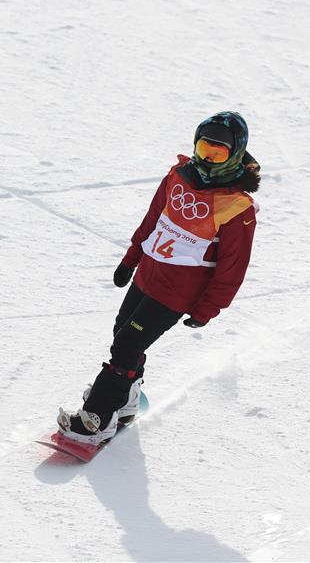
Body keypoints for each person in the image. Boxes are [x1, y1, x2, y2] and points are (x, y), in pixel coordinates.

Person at [57, 111, 261, 445]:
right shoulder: (178, 175)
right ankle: (126, 401)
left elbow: (232, 268)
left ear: (235, 154)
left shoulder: (236, 207)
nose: (208, 159)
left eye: (218, 153)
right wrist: (130, 260)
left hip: (178, 293)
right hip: (149, 274)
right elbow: (152, 220)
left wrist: (207, 309)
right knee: (122, 333)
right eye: (204, 148)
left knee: (127, 345)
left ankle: (98, 419)